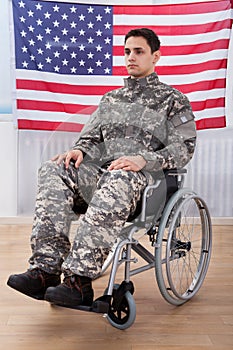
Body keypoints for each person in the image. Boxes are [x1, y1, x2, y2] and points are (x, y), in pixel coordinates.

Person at [7, 28, 196, 307]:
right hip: (102, 177)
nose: (131, 57)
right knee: (53, 169)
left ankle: (78, 280)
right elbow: (90, 138)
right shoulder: (111, 99)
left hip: (144, 184)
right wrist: (79, 150)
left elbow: (184, 148)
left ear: (156, 56)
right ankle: (46, 270)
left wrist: (144, 159)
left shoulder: (173, 99)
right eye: (127, 51)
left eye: (139, 51)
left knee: (119, 176)